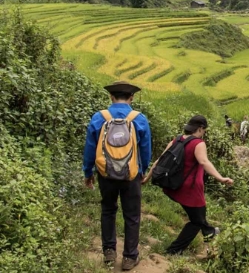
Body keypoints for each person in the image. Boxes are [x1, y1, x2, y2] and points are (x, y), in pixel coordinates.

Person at [83, 81, 152, 270]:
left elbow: (90, 148)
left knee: (108, 210)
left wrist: (88, 173)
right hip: (131, 175)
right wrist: (142, 171)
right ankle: (130, 257)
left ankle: (109, 252)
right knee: (132, 215)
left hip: (105, 174)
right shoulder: (139, 119)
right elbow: (145, 150)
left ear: (111, 97)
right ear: (132, 98)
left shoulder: (99, 117)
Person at [143, 115, 233, 255]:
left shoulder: (176, 140)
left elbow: (160, 160)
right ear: (200, 128)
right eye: (204, 130)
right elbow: (204, 162)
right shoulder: (198, 143)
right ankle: (173, 251)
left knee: (199, 217)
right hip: (191, 190)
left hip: (174, 186)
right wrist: (221, 178)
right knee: (197, 220)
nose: (204, 133)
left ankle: (210, 232)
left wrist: (147, 178)